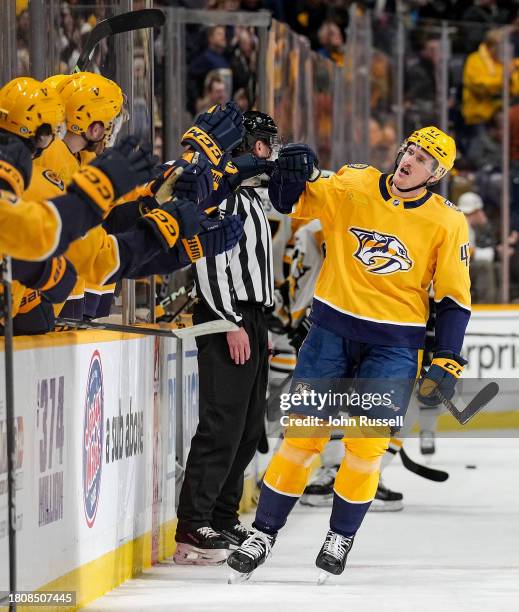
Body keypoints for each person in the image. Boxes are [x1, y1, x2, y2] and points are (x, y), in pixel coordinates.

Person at [227, 126, 471, 582]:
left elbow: (454, 298)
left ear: (435, 175)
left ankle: (340, 537)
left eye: (422, 160)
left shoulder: (447, 221)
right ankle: (262, 534)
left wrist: (447, 356)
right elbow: (289, 201)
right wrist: (288, 172)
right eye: (409, 151)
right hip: (330, 334)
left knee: (364, 447)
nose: (410, 160)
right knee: (301, 439)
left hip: (395, 346)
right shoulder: (353, 183)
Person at [173, 111, 279, 565]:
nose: (271, 151)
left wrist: (260, 324)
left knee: (250, 425)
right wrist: (228, 320)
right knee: (222, 422)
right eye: (265, 143)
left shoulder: (250, 194)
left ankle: (221, 514)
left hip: (252, 318)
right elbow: (210, 260)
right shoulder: (225, 195)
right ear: (247, 146)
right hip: (228, 317)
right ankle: (194, 523)